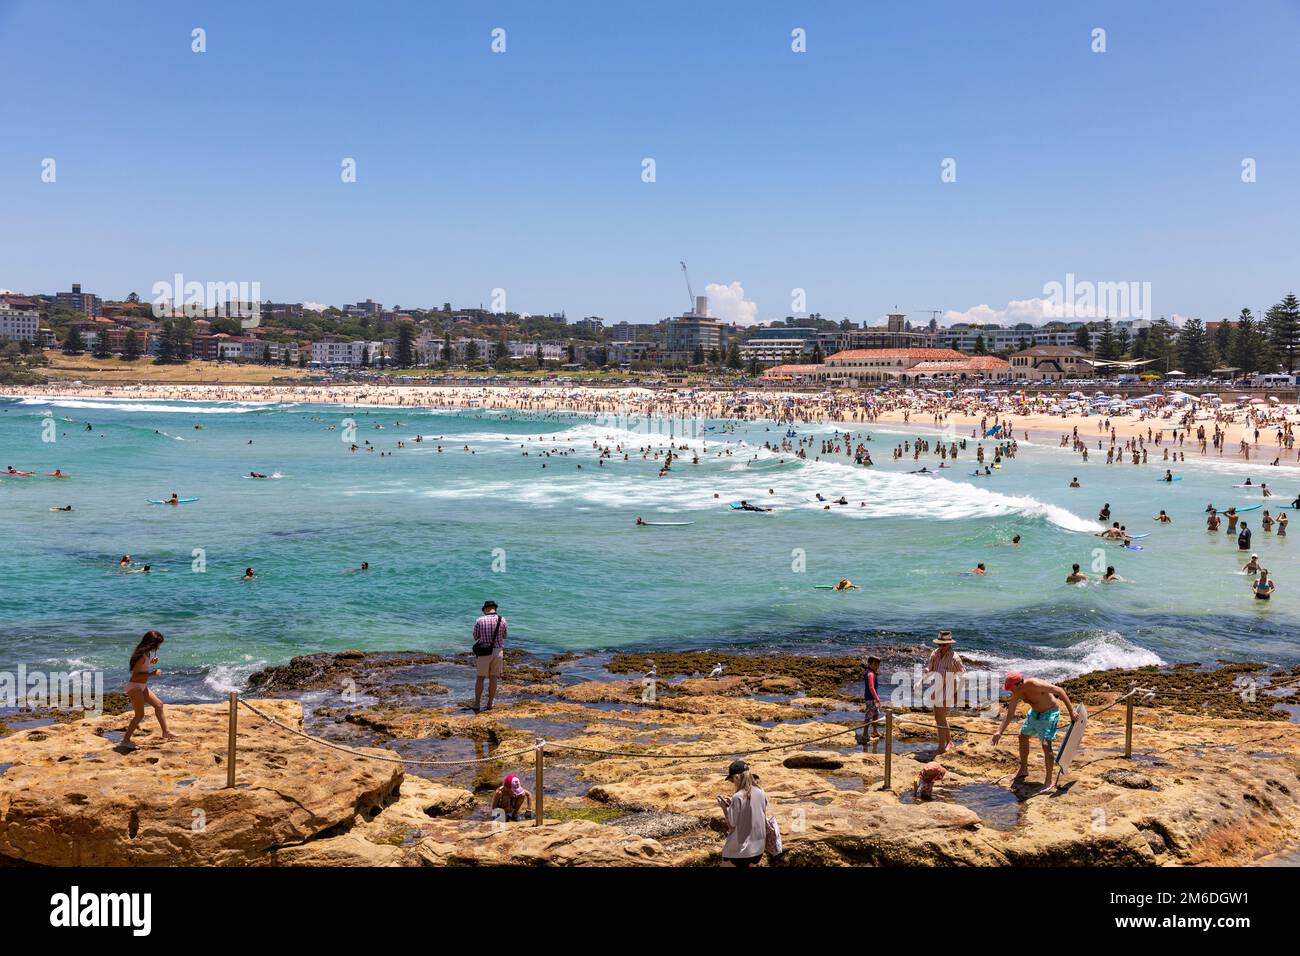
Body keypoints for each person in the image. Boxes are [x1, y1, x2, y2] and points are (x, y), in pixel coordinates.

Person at [991, 672, 1078, 787]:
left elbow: (1059, 690)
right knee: (1022, 736)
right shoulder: (1017, 692)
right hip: (1034, 713)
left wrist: (1072, 711)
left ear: (1018, 684)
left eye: (1010, 688)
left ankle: (1048, 780)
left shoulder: (1035, 684)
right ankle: (1023, 769)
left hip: (1050, 713)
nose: (1009, 691)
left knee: (1046, 744)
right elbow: (1010, 714)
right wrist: (999, 732)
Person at [120, 630, 179, 747]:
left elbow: (142, 668)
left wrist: (150, 663)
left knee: (159, 705)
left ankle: (166, 732)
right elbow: (135, 675)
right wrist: (152, 673)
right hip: (135, 687)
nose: (159, 647)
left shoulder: (147, 654)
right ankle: (125, 741)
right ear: (152, 643)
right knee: (139, 715)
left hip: (141, 686)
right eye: (158, 644)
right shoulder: (141, 656)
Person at [716, 759, 769, 867]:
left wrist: (724, 809)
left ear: (737, 778)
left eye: (731, 780)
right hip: (758, 849)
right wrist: (732, 805)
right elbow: (756, 813)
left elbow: (731, 826)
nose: (732, 782)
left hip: (741, 852)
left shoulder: (737, 797)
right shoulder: (761, 792)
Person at [925, 631, 965, 754]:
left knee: (939, 718)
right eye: (940, 644)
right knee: (941, 717)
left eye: (944, 645)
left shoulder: (955, 658)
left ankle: (941, 747)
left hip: (948, 690)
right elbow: (930, 668)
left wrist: (957, 692)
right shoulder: (934, 654)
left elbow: (963, 675)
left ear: (949, 644)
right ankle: (950, 742)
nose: (941, 647)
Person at [472, 599, 507, 712]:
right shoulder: (502, 620)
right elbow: (505, 636)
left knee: (480, 678)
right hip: (498, 652)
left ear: (486, 609)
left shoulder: (480, 620)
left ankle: (477, 704)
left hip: (484, 652)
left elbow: (475, 637)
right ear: (495, 608)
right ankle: (490, 704)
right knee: (493, 678)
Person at [863, 655, 882, 742]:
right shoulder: (870, 673)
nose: (877, 666)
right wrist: (877, 698)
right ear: (869, 664)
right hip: (870, 698)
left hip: (873, 698)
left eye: (878, 664)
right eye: (875, 664)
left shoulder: (872, 672)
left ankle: (874, 731)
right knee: (868, 716)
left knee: (875, 714)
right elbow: (871, 687)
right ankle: (865, 734)